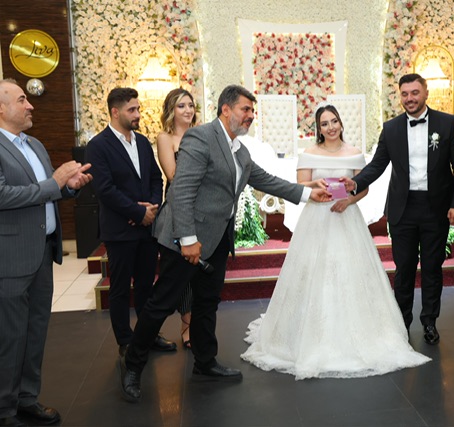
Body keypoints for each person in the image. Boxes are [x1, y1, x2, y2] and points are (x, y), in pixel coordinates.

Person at [118, 84, 332, 402]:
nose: (250, 115)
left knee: (207, 302)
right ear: (226, 109)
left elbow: (265, 180)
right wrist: (188, 239)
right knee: (161, 303)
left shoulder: (239, 151)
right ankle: (133, 365)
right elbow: (182, 190)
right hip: (184, 238)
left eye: (252, 111)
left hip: (217, 238)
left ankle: (205, 362)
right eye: (246, 109)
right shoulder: (201, 137)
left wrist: (307, 192)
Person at [241, 104, 430, 379]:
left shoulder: (354, 153)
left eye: (334, 121)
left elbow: (363, 187)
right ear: (319, 128)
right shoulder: (309, 153)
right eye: (324, 123)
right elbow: (301, 185)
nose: (330, 127)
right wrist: (316, 186)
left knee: (350, 271)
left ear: (341, 123)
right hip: (316, 217)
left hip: (345, 216)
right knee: (313, 272)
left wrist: (348, 201)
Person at [342, 73, 454, 345]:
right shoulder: (391, 129)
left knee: (432, 268)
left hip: (436, 208)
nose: (409, 98)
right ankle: (401, 322)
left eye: (414, 92)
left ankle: (430, 322)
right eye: (404, 94)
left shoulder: (447, 123)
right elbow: (377, 165)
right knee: (404, 269)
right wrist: (356, 182)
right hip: (403, 209)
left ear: (425, 93)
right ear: (399, 96)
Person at [0, 78, 92, 427]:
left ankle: (27, 399)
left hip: (42, 252)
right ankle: (4, 409)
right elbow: (3, 195)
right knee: (10, 336)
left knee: (35, 332)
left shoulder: (35, 145)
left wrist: (68, 188)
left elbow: (46, 193)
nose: (30, 106)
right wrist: (54, 183)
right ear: (1, 108)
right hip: (10, 257)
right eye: (22, 100)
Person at [85, 87, 176, 357]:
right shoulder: (98, 146)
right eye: (132, 110)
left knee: (147, 286)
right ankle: (125, 341)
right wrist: (137, 212)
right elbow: (104, 189)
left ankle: (147, 335)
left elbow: (155, 178)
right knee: (121, 288)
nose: (138, 114)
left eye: (138, 109)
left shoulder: (143, 142)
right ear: (115, 112)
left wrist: (152, 207)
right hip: (120, 230)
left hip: (147, 228)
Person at [157, 88, 197, 348]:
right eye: (181, 106)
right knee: (181, 270)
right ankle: (186, 324)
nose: (188, 110)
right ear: (171, 110)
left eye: (190, 105)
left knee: (197, 270)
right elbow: (172, 175)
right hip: (179, 207)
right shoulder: (165, 138)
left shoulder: (201, 133)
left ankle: (196, 323)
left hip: (201, 209)